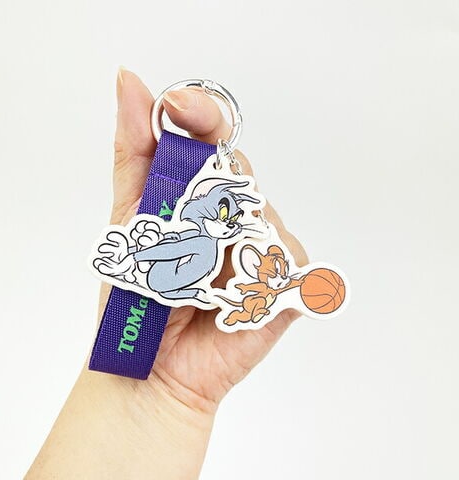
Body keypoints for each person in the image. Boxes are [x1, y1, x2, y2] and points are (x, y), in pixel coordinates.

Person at [25, 67, 308, 479]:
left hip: (178, 303)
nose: (229, 222)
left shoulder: (210, 241)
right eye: (225, 212)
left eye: (233, 218)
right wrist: (139, 252)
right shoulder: (195, 237)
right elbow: (169, 249)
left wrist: (167, 396)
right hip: (159, 284)